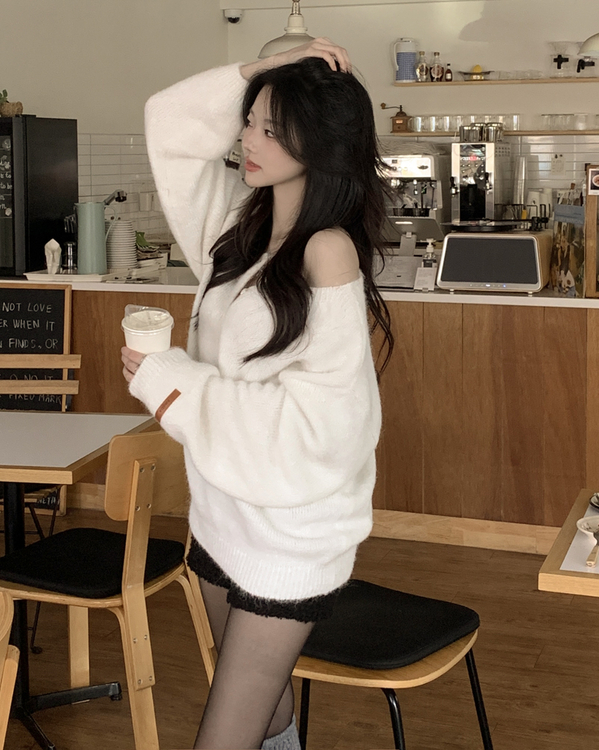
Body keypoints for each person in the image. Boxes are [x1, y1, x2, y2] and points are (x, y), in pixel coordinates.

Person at [121, 39, 393, 750]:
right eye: (250, 121)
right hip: (221, 520)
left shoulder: (326, 251)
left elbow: (326, 429)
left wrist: (170, 383)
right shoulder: (236, 232)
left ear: (320, 141)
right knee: (267, 719)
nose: (248, 139)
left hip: (288, 539)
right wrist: (264, 65)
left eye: (273, 128)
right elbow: (169, 122)